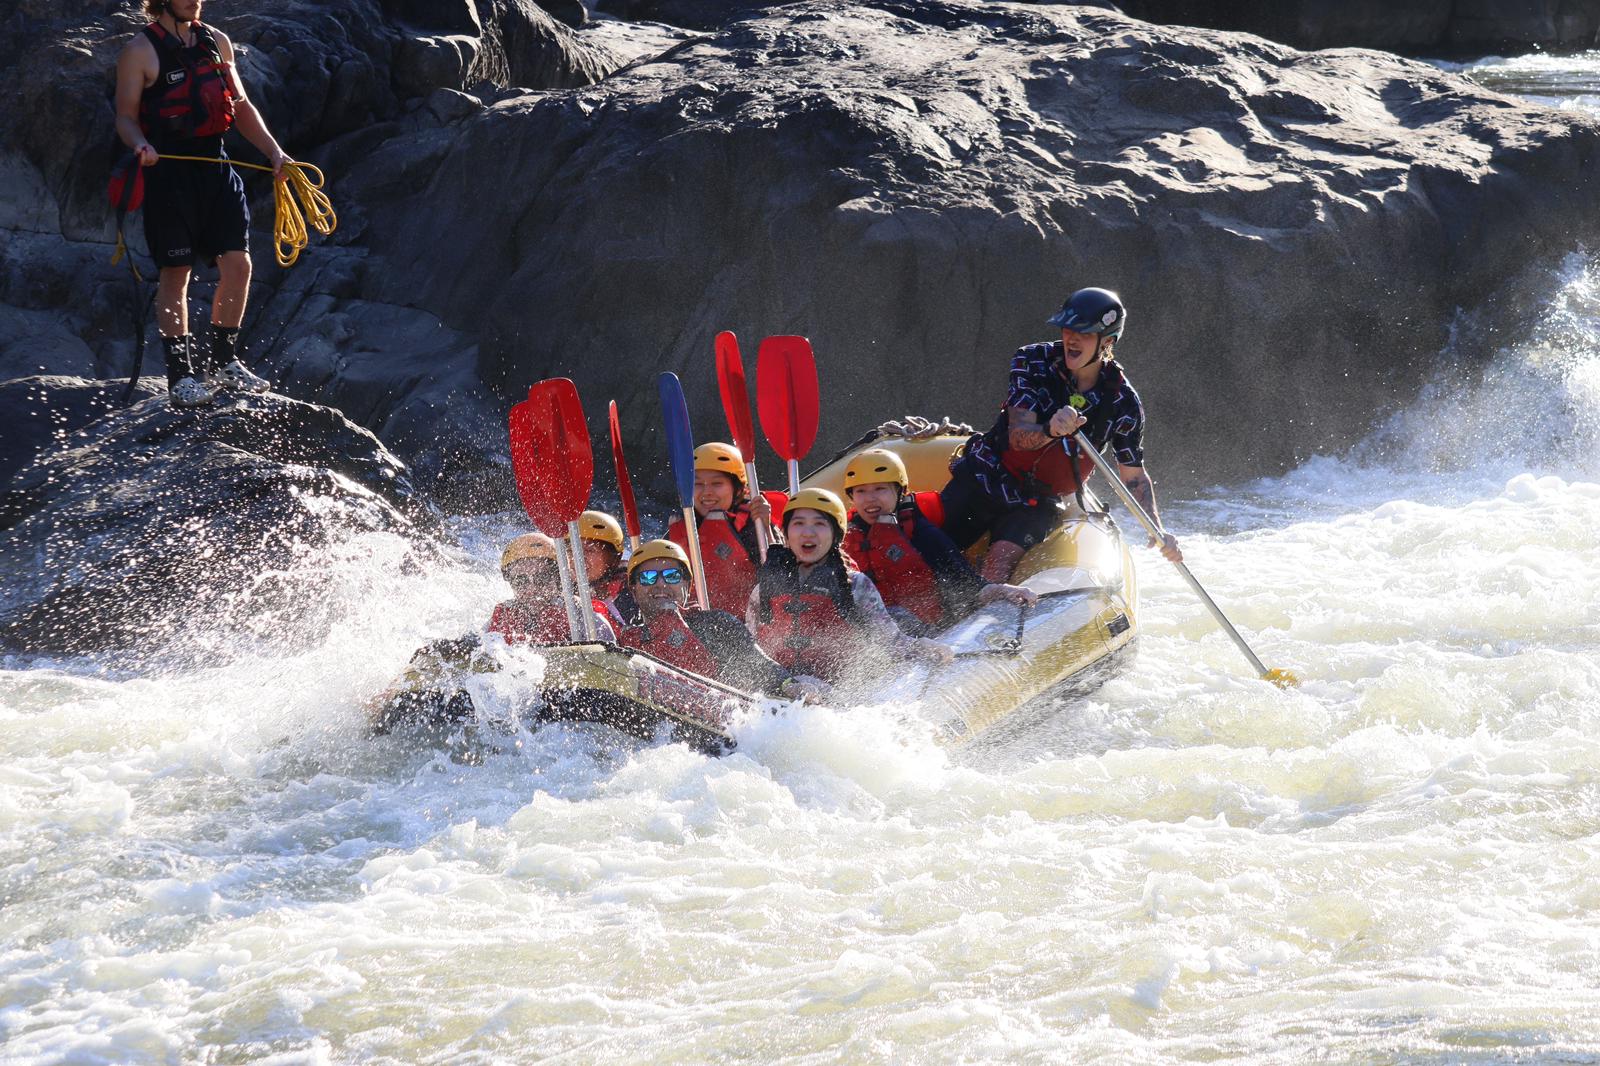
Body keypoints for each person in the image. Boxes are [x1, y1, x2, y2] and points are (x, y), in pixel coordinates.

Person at [113, 0, 290, 407]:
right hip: (168, 175)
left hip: (216, 167)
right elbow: (124, 116)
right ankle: (181, 377)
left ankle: (226, 364)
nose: (195, 0)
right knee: (176, 273)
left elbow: (241, 106)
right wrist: (140, 143)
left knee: (239, 265)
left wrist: (275, 153)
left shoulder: (216, 41)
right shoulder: (139, 51)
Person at [940, 287, 1183, 582]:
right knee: (933, 552)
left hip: (1037, 502)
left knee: (998, 565)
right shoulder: (1031, 361)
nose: (1071, 338)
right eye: (1068, 329)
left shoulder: (1123, 402)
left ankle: (984, 617)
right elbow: (1018, 436)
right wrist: (1050, 430)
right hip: (986, 476)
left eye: (1084, 332)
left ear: (1107, 342)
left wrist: (1156, 528)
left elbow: (1133, 477)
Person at [747, 488, 953, 684]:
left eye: (819, 524)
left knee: (900, 615)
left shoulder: (856, 586)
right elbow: (753, 652)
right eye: (798, 523)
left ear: (836, 535)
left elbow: (891, 642)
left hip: (838, 692)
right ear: (786, 534)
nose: (808, 532)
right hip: (781, 690)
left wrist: (919, 647)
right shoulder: (763, 590)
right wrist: (783, 685)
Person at [842, 448, 1036, 633]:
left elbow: (969, 584)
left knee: (899, 617)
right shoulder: (843, 538)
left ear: (900, 492)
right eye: (861, 491)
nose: (870, 499)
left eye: (880, 489)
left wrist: (1001, 591)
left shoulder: (921, 534)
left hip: (929, 631)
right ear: (852, 497)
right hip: (883, 634)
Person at [617, 540, 824, 700]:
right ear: (634, 591)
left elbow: (757, 664)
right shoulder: (628, 642)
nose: (660, 583)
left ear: (688, 587)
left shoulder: (715, 624)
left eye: (672, 576)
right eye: (648, 578)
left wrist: (788, 684)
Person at [666, 442, 781, 616]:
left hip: (745, 627)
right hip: (690, 629)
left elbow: (782, 575)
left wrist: (766, 528)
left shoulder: (753, 524)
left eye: (717, 483)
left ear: (737, 489)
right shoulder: (682, 525)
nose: (707, 492)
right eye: (697, 484)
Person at [487, 533, 616, 645]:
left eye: (542, 579)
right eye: (521, 581)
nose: (532, 589)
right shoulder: (502, 616)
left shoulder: (584, 616)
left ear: (560, 579)